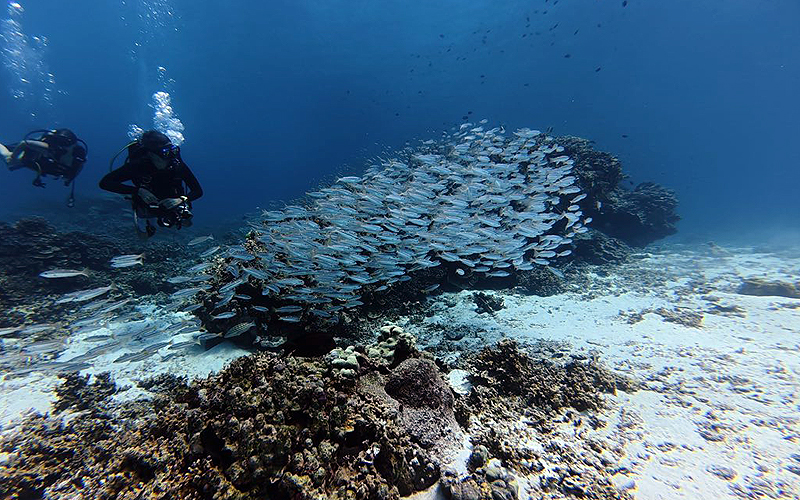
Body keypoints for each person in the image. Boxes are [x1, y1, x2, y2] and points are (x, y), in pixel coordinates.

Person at [100, 130, 203, 238]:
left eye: (172, 151)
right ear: (150, 154)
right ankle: (148, 223)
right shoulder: (137, 166)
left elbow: (198, 191)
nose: (170, 158)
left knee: (186, 222)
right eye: (165, 153)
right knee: (144, 233)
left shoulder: (177, 165)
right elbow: (105, 183)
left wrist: (182, 199)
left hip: (174, 201)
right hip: (147, 202)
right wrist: (138, 191)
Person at [1, 128, 88, 207]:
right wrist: (12, 158)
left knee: (13, 165)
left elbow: (80, 165)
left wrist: (70, 178)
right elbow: (24, 143)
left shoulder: (79, 156)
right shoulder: (50, 147)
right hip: (32, 155)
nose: (62, 149)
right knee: (10, 163)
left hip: (44, 164)